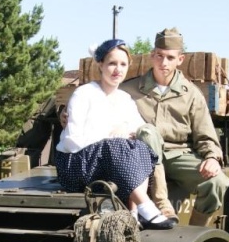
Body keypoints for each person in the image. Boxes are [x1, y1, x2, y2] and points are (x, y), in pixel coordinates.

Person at [55, 39, 175, 230]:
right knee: (117, 145)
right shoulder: (83, 94)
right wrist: (110, 138)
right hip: (75, 165)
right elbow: (72, 141)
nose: (117, 69)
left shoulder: (124, 99)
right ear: (100, 64)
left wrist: (126, 134)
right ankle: (147, 208)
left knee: (141, 147)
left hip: (108, 165)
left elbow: (139, 128)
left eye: (123, 64)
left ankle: (134, 212)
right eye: (112, 63)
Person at [121, 28, 229, 227]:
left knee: (218, 183)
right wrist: (64, 115)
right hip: (142, 158)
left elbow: (205, 134)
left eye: (170, 58)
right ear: (152, 56)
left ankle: (195, 232)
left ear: (180, 59)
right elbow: (99, 102)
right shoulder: (129, 89)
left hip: (178, 155)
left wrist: (212, 158)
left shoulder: (191, 94)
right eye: (159, 56)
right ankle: (162, 204)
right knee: (148, 132)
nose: (164, 63)